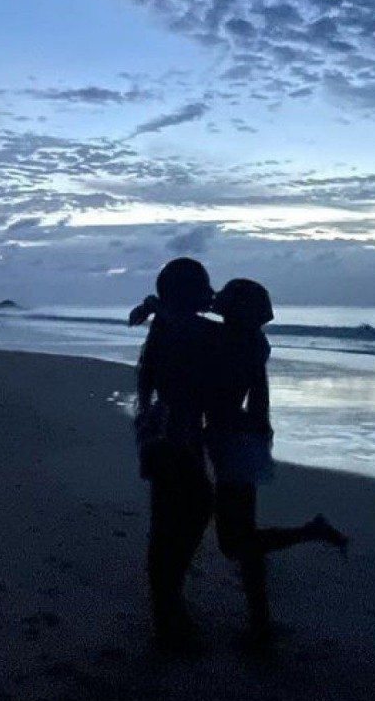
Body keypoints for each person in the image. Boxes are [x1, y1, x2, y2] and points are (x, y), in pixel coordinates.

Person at [207, 277, 348, 644]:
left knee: (236, 542)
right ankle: (260, 620)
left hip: (233, 439)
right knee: (243, 537)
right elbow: (257, 394)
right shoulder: (253, 343)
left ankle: (312, 532)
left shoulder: (229, 342)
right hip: (241, 438)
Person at [131, 257, 221, 651]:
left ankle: (167, 605)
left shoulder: (168, 324)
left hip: (165, 431)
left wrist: (155, 306)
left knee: (171, 519)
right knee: (187, 514)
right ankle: (167, 610)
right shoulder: (185, 328)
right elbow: (221, 331)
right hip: (175, 434)